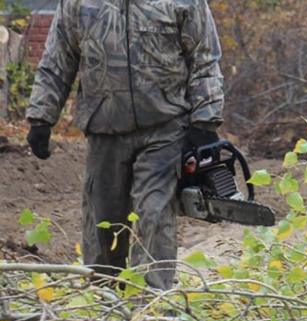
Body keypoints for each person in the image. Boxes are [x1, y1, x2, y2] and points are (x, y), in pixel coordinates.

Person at [25, 0, 225, 290]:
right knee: (104, 221)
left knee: (154, 214)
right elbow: (58, 58)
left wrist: (205, 122)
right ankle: (104, 299)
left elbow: (205, 59)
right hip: (104, 129)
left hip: (165, 129)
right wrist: (41, 117)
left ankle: (153, 301)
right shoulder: (78, 3)